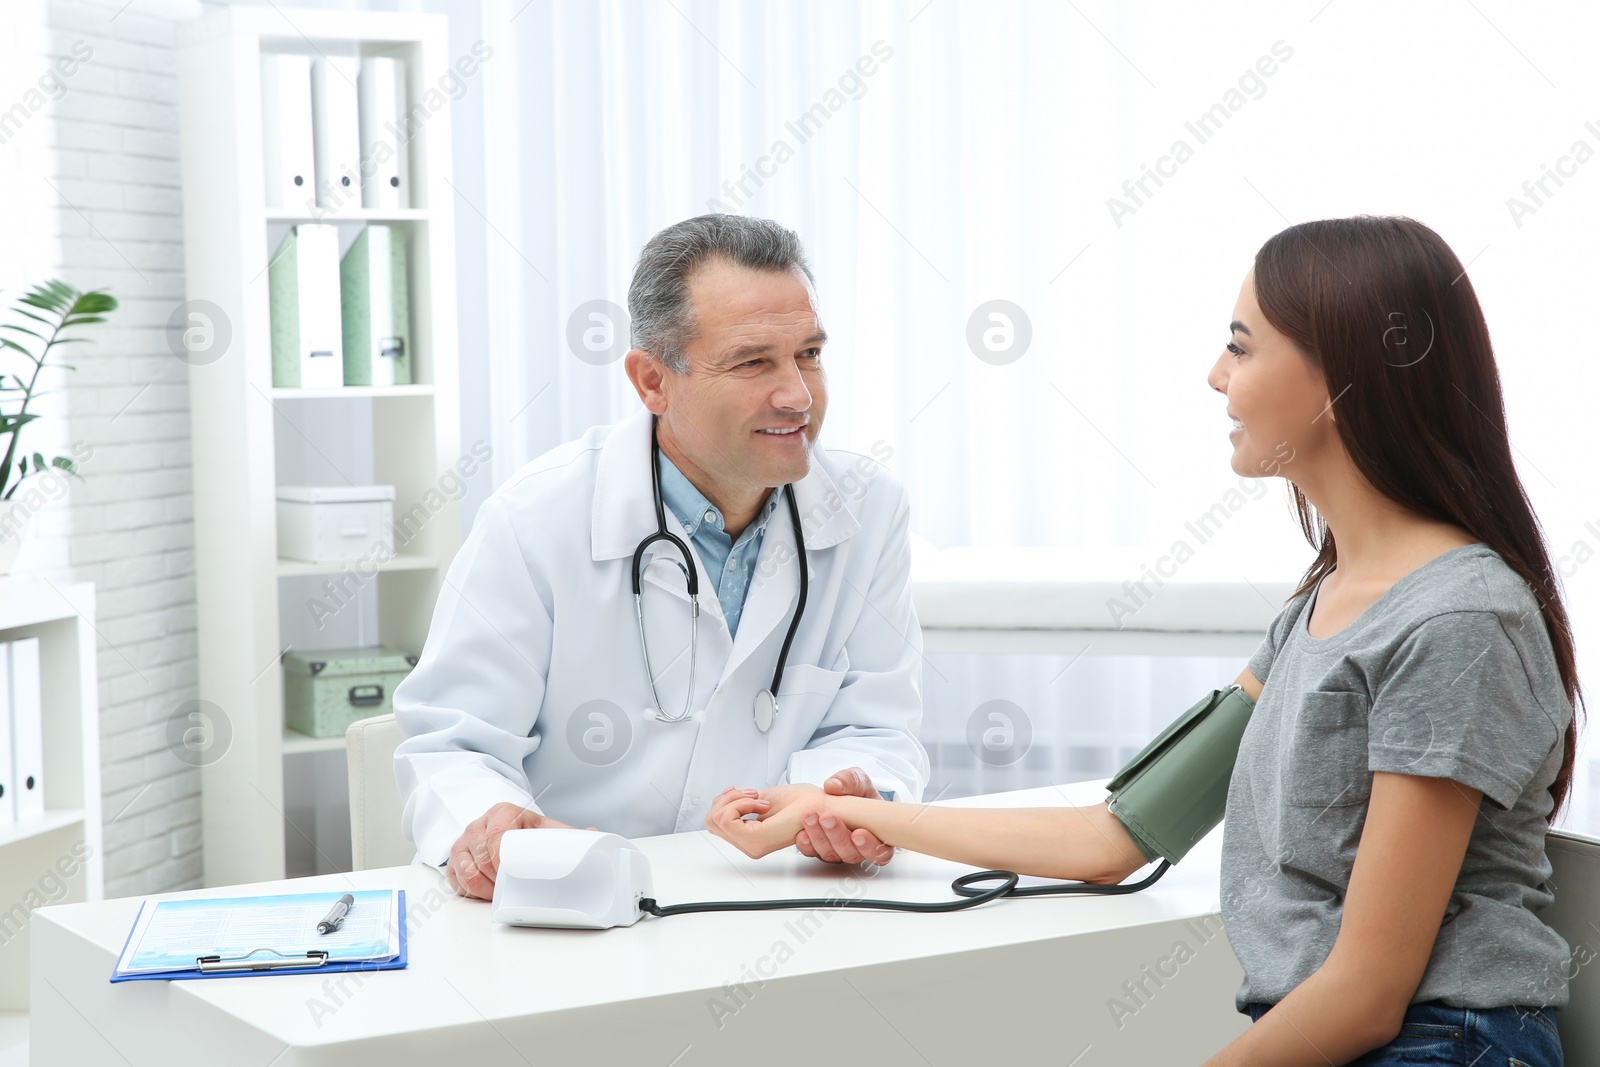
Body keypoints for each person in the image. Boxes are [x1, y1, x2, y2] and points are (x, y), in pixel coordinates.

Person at [709, 216, 1577, 1067]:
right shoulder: (1320, 611)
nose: (1214, 376)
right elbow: (1115, 837)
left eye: (1240, 346)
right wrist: (839, 809)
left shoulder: (1459, 621)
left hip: (1442, 1042)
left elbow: (1366, 990)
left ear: (1337, 379)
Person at [395, 214, 929, 900]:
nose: (798, 394)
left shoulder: (869, 509)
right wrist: (490, 827)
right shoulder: (535, 520)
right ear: (652, 381)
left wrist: (846, 797)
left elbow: (877, 725)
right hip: (581, 909)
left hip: (780, 892)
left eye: (810, 354)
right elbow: (453, 746)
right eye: (752, 361)